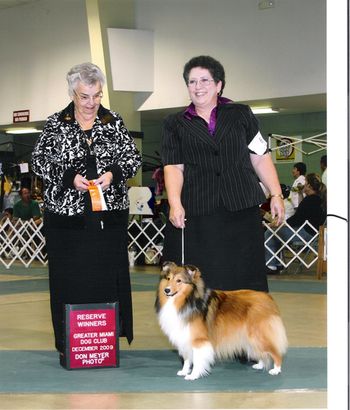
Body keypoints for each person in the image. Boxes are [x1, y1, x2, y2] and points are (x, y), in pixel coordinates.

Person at [31, 62, 141, 355]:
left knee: (107, 277)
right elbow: (39, 161)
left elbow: (132, 158)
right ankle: (71, 341)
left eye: (97, 96)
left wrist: (113, 174)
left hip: (108, 218)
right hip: (66, 222)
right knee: (69, 279)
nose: (92, 103)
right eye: (84, 96)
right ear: (72, 94)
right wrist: (69, 178)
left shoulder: (114, 121)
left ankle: (104, 341)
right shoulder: (56, 123)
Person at [161, 55, 284, 292]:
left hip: (241, 207)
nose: (198, 87)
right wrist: (175, 203)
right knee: (207, 278)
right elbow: (174, 166)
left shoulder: (241, 114)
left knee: (246, 276)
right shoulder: (174, 123)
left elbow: (260, 155)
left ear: (219, 85)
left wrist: (276, 194)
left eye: (205, 80)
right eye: (192, 82)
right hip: (200, 210)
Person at [265, 173, 326, 272]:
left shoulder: (310, 200)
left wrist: (281, 224)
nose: (303, 185)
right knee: (277, 233)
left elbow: (297, 218)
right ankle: (277, 263)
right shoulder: (319, 199)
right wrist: (301, 194)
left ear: (309, 186)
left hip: (306, 233)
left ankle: (272, 265)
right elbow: (302, 214)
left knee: (270, 233)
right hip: (315, 233)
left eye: (305, 183)